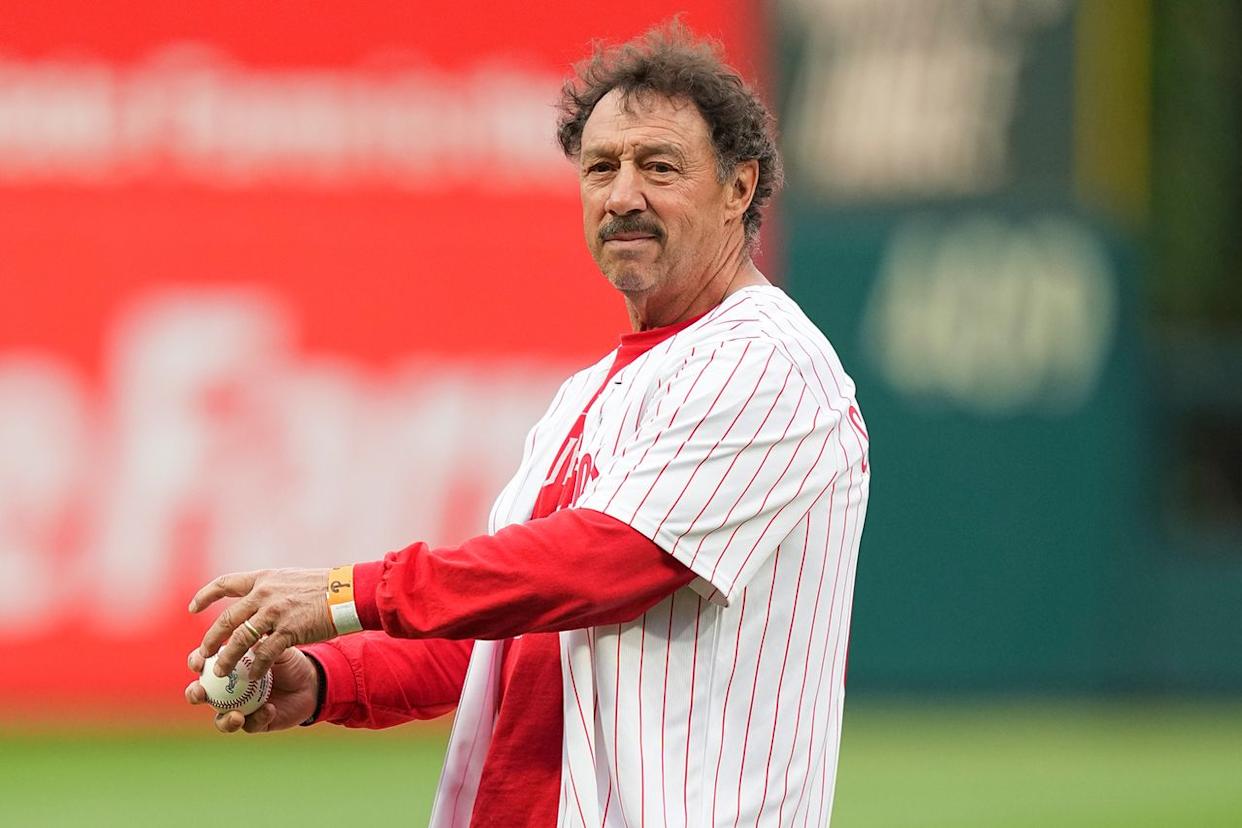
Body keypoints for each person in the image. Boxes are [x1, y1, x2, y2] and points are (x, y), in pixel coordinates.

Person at [185, 21, 869, 827]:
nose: (622, 196)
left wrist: (348, 593)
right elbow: (500, 640)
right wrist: (331, 679)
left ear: (739, 187)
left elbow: (603, 563)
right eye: (601, 168)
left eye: (659, 167)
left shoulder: (769, 361)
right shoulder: (588, 392)